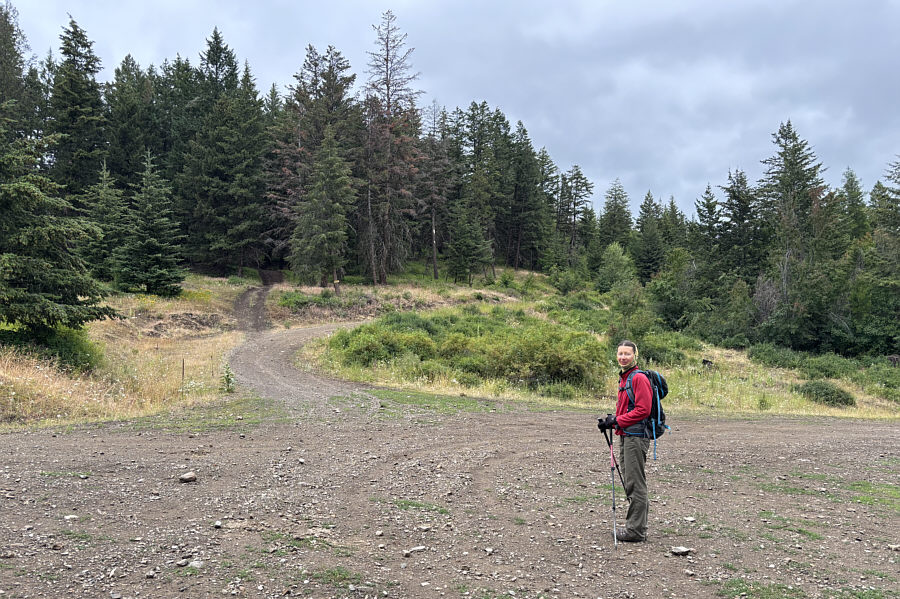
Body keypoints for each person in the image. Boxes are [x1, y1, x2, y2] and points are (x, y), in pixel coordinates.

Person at [600, 340, 651, 542]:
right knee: (632, 481)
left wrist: (617, 421)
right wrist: (612, 422)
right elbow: (628, 409)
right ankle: (636, 527)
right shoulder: (625, 377)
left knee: (635, 483)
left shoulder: (638, 378)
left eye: (627, 354)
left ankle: (635, 531)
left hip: (636, 437)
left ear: (635, 355)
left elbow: (643, 410)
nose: (623, 357)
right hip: (627, 435)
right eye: (620, 353)